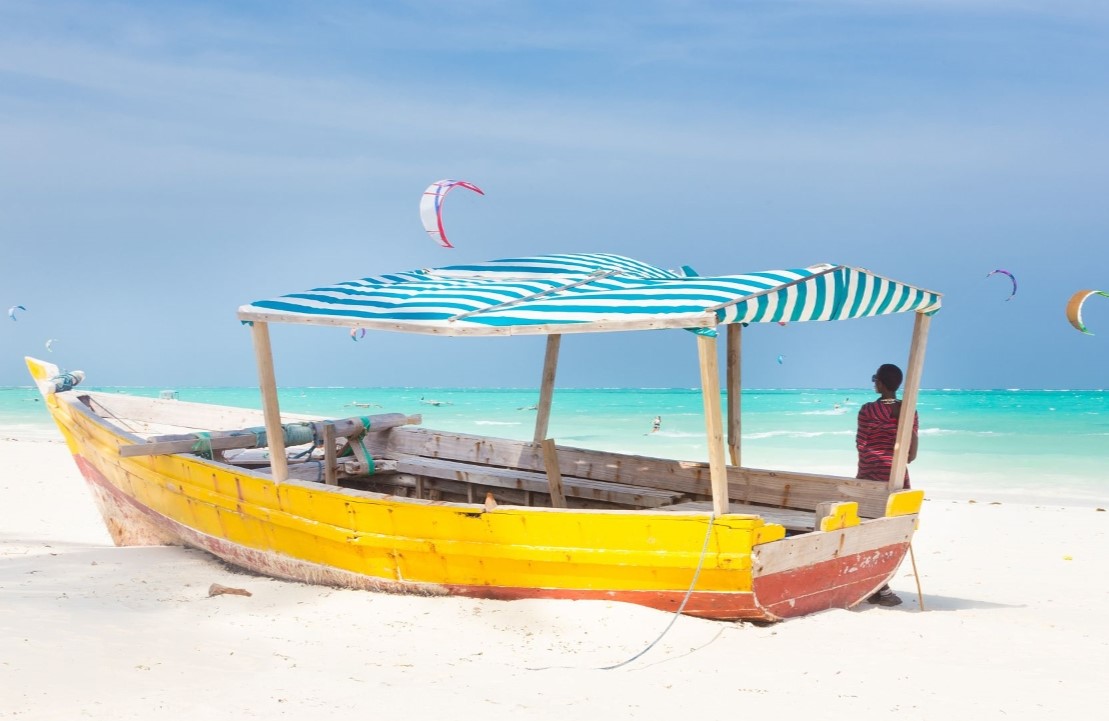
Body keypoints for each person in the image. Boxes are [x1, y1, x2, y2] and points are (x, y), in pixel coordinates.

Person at [856, 363, 918, 607]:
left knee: (869, 529)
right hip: (896, 476)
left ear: (880, 383)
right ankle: (880, 585)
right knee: (890, 530)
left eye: (875, 379)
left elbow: (861, 445)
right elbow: (911, 454)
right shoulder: (909, 410)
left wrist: (874, 458)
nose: (874, 383)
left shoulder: (867, 410)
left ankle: (879, 586)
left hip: (870, 475)